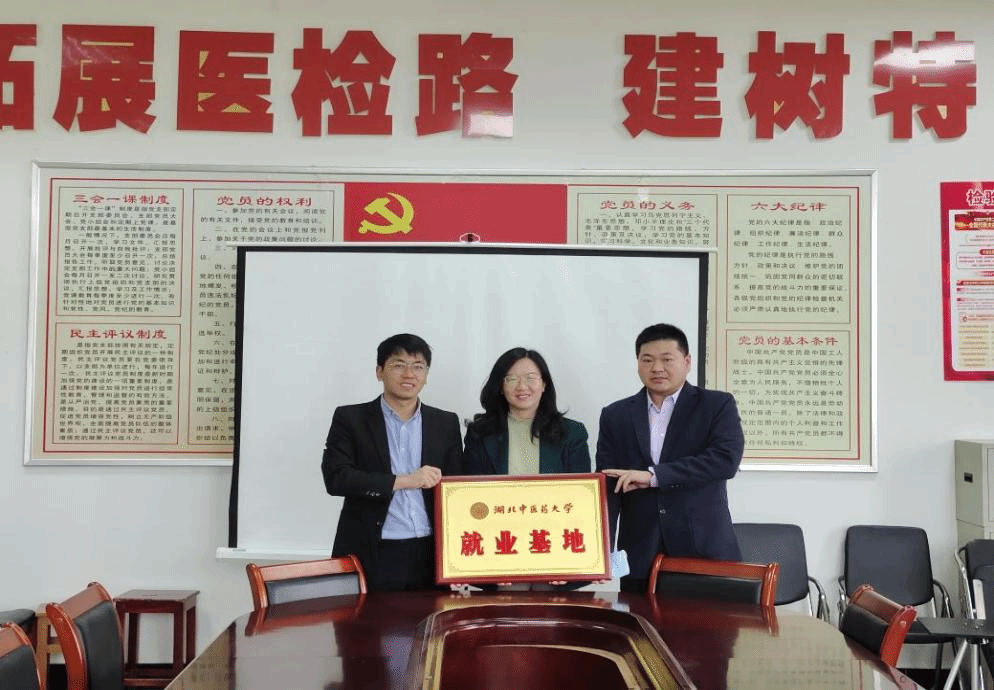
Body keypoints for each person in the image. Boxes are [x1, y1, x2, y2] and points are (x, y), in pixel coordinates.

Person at [596, 323, 744, 593]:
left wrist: (654, 477)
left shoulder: (716, 405)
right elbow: (607, 486)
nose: (657, 368)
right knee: (638, 621)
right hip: (640, 553)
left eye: (667, 359)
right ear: (638, 363)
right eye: (647, 360)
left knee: (709, 622)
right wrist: (600, 552)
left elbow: (724, 460)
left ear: (687, 362)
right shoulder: (615, 415)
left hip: (703, 549)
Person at [321, 333, 462, 591]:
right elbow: (336, 478)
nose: (409, 374)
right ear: (379, 372)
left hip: (431, 552)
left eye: (418, 366)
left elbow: (457, 488)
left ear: (426, 375)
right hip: (373, 549)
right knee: (367, 618)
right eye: (398, 365)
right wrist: (405, 481)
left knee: (433, 618)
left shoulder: (445, 423)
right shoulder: (351, 418)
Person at [463, 347, 591, 476]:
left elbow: (581, 487)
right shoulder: (479, 434)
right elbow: (471, 487)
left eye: (530, 378)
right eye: (511, 379)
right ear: (501, 387)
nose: (522, 386)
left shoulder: (573, 433)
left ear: (544, 384)